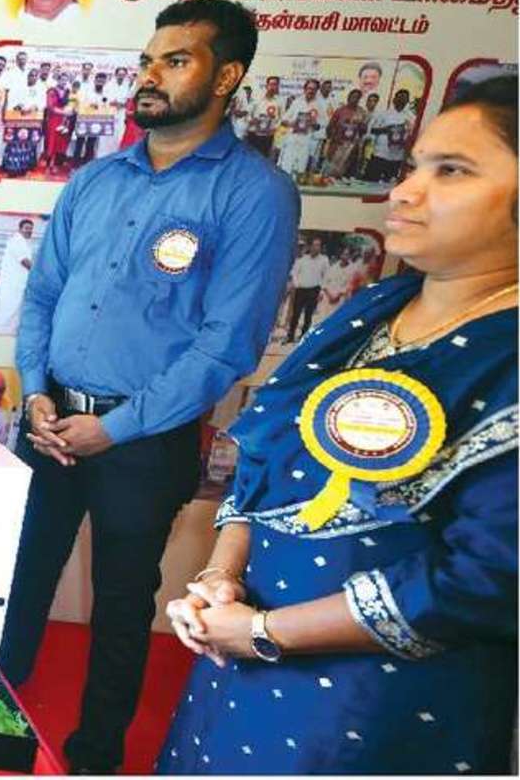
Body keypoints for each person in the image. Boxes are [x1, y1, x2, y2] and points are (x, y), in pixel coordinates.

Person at [157, 76, 518, 774]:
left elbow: (482, 581)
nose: (405, 192)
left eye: (451, 171)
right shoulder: (375, 308)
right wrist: (220, 579)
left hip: (378, 708)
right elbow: (265, 461)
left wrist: (267, 631)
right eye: (414, 166)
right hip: (237, 665)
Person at [4, 0, 299, 774]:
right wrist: (36, 392)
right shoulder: (97, 179)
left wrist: (115, 427)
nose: (150, 76)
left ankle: (94, 757)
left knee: (122, 603)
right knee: (18, 577)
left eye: (175, 61)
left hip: (143, 441)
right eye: (146, 61)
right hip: (50, 421)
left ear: (226, 77)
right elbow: (43, 296)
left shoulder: (253, 193)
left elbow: (226, 345)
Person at [0, 218, 37, 335]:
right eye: (26, 228)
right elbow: (25, 262)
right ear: (20, 229)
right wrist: (40, 274)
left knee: (14, 313)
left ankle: (6, 335)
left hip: (18, 285)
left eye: (31, 229)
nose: (29, 231)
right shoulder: (17, 241)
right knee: (7, 311)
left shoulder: (23, 242)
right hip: (11, 286)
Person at [364, 88, 416, 183]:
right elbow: (372, 130)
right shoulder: (383, 114)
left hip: (397, 157)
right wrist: (386, 130)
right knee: (370, 181)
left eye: (404, 98)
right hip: (380, 154)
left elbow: (412, 136)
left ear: (407, 101)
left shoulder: (411, 117)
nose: (401, 100)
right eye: (399, 97)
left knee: (388, 185)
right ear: (394, 99)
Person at [284, 235, 329, 343]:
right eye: (314, 245)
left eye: (318, 245)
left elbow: (326, 276)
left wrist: (322, 290)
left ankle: (303, 336)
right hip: (301, 290)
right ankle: (290, 336)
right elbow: (294, 272)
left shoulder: (324, 260)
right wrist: (297, 283)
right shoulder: (302, 259)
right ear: (310, 246)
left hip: (314, 290)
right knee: (296, 314)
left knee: (308, 315)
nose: (316, 248)